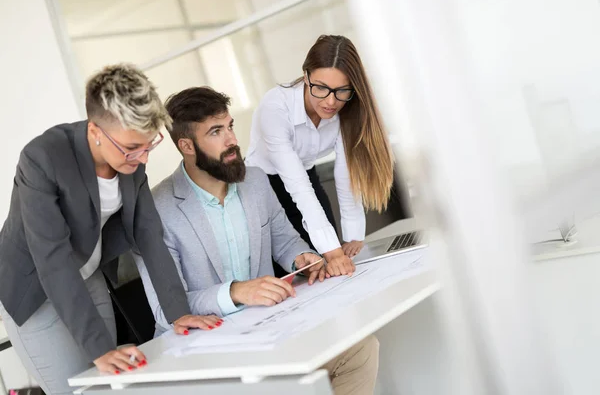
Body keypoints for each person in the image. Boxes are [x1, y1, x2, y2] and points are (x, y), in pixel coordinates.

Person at [134, 86, 380, 394]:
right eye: (215, 132)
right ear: (187, 145)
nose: (232, 140)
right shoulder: (155, 211)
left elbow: (285, 239)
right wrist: (237, 293)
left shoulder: (255, 181)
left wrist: (302, 258)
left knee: (359, 349)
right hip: (204, 352)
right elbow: (166, 310)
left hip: (266, 331)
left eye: (230, 127)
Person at [0, 64, 221, 395]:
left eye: (149, 145)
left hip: (87, 277)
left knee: (109, 386)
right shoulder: (42, 158)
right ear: (95, 132)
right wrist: (99, 348)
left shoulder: (130, 159)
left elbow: (148, 234)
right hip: (35, 288)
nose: (143, 158)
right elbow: (52, 258)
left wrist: (178, 313)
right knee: (74, 389)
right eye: (132, 148)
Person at [245, 35, 394, 278]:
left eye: (341, 91)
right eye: (321, 88)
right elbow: (297, 187)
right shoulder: (275, 107)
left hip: (307, 176)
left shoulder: (347, 109)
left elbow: (347, 176)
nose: (330, 101)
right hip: (263, 189)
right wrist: (332, 252)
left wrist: (352, 237)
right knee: (293, 274)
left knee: (333, 270)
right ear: (306, 76)